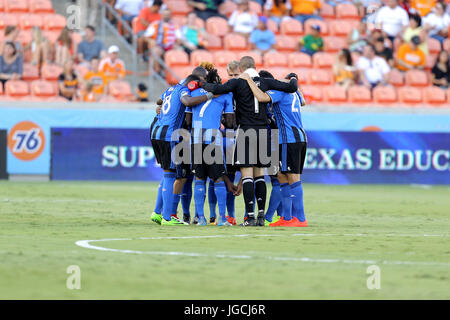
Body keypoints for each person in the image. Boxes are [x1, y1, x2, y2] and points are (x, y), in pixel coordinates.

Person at [200, 56, 299, 227]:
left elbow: (217, 88)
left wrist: (201, 84)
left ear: (241, 68)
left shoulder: (237, 83)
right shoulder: (266, 82)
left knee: (247, 176)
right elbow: (291, 87)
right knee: (260, 175)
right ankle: (261, 217)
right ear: (255, 66)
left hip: (245, 130)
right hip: (262, 131)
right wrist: (294, 77)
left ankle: (250, 217)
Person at [241, 70, 308, 227]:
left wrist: (249, 81)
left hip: (288, 139)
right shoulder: (295, 94)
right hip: (298, 137)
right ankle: (286, 217)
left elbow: (262, 97)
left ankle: (300, 218)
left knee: (292, 176)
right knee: (281, 175)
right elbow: (303, 102)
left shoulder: (280, 92)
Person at [150, 67, 214, 226]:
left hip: (156, 132)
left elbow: (159, 101)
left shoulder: (171, 89)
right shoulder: (184, 91)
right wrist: (208, 96)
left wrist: (163, 107)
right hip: (169, 134)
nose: (200, 86)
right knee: (171, 174)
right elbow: (187, 101)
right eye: (200, 83)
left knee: (167, 173)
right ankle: (167, 217)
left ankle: (158, 213)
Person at [185, 68, 235, 226]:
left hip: (196, 138)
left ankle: (201, 219)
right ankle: (221, 218)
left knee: (199, 178)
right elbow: (230, 123)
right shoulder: (226, 95)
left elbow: (187, 120)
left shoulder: (194, 93)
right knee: (218, 178)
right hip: (213, 138)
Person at [144, 9, 178, 73]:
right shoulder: (155, 24)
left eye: (168, 15)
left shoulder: (175, 26)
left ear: (170, 16)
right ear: (161, 15)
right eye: (165, 15)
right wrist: (150, 40)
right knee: (156, 51)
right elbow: (145, 37)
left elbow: (179, 38)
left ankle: (173, 73)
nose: (166, 16)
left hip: (171, 46)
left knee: (180, 51)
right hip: (158, 45)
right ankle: (157, 71)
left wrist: (177, 43)